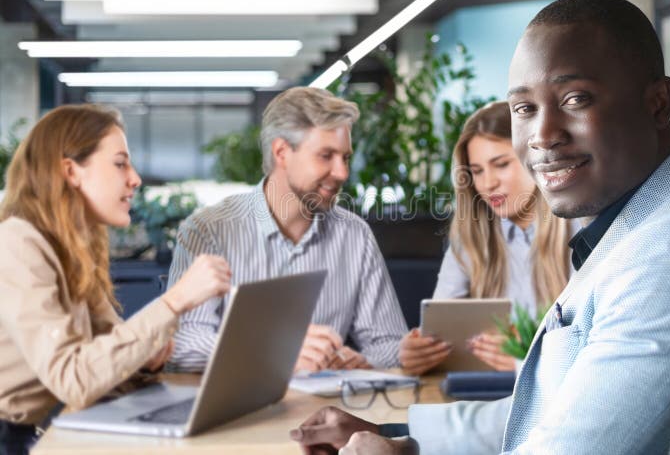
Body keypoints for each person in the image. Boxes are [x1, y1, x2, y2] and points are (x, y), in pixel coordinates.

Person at [290, 0, 670, 455]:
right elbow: (555, 412)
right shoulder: (648, 225)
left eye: (575, 99)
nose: (543, 135)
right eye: (524, 109)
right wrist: (403, 437)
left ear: (657, 103)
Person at [0, 105, 231, 454]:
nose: (135, 178)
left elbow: (100, 366)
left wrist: (143, 360)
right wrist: (174, 301)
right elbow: (73, 379)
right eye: (120, 163)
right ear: (71, 172)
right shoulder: (18, 243)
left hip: (30, 431)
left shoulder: (75, 249)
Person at [167, 86, 407, 373]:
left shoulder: (355, 235)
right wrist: (275, 349)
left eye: (345, 158)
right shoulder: (209, 230)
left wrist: (363, 360)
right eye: (326, 155)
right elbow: (182, 346)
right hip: (238, 412)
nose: (342, 172)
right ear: (282, 152)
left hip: (323, 410)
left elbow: (388, 341)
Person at [399, 102, 573, 374]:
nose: (488, 183)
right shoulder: (471, 236)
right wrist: (418, 353)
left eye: (501, 164)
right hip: (483, 394)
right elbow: (438, 326)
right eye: (477, 171)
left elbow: (596, 351)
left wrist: (522, 363)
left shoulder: (579, 230)